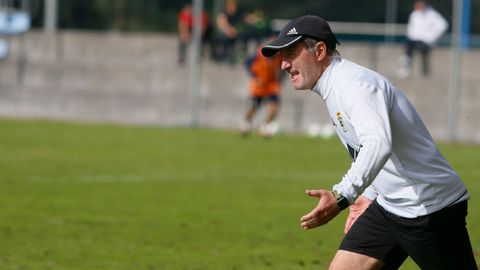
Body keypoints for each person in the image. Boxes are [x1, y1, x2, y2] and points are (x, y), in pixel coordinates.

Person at [261, 15, 477, 269]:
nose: (284, 64)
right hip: (389, 206)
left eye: (291, 53)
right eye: (282, 55)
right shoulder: (335, 86)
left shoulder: (354, 85)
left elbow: (378, 144)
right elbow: (375, 150)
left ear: (319, 51)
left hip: (429, 208)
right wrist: (369, 194)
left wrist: (342, 196)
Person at [241, 39, 282, 137]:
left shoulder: (279, 55)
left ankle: (265, 127)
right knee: (253, 107)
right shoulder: (258, 54)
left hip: (271, 85)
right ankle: (246, 123)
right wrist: (255, 77)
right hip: (259, 86)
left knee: (274, 108)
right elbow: (247, 64)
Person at [397, 0, 448, 78]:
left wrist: (432, 37)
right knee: (408, 50)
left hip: (426, 41)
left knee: (423, 54)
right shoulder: (414, 14)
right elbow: (412, 28)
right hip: (414, 40)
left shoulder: (432, 14)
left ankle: (424, 73)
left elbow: (443, 25)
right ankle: (406, 68)